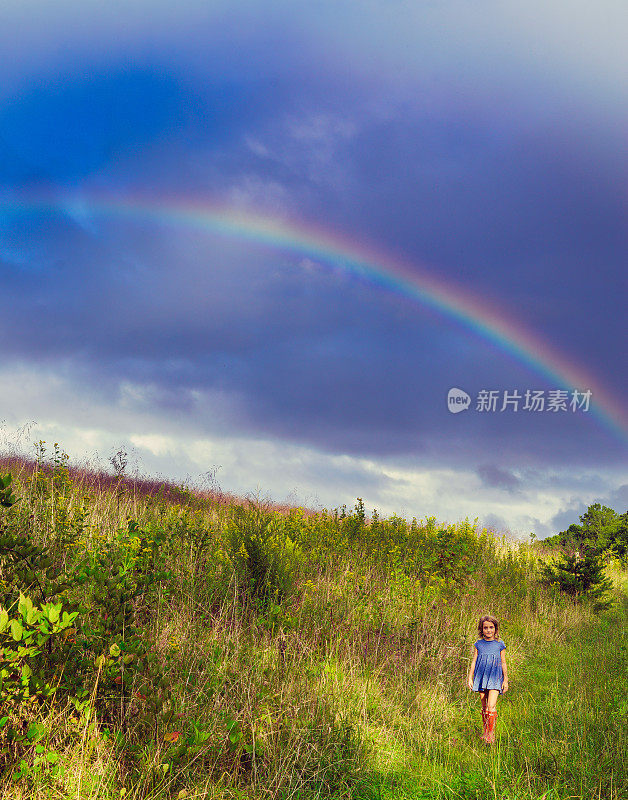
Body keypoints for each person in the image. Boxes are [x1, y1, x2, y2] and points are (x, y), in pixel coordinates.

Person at [467, 614, 508, 743]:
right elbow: (473, 661)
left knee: (491, 706)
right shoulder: (478, 644)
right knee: (484, 707)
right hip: (481, 676)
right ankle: (485, 731)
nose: (488, 630)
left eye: (491, 627)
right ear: (481, 629)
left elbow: (503, 662)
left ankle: (491, 734)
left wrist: (505, 680)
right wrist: (470, 677)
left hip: (495, 677)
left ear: (495, 628)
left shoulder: (499, 644)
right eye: (485, 628)